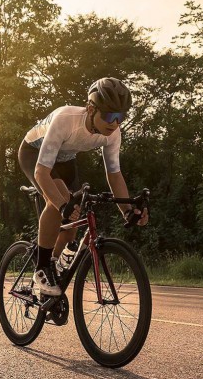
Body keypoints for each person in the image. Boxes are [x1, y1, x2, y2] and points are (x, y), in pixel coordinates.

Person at [17, 77, 149, 296]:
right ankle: (41, 269)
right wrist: (61, 205)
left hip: (65, 159)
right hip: (33, 154)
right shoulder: (66, 119)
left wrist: (127, 211)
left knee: (71, 227)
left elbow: (114, 175)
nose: (114, 123)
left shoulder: (113, 134)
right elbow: (42, 172)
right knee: (59, 202)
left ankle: (52, 266)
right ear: (90, 108)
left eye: (120, 117)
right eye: (109, 115)